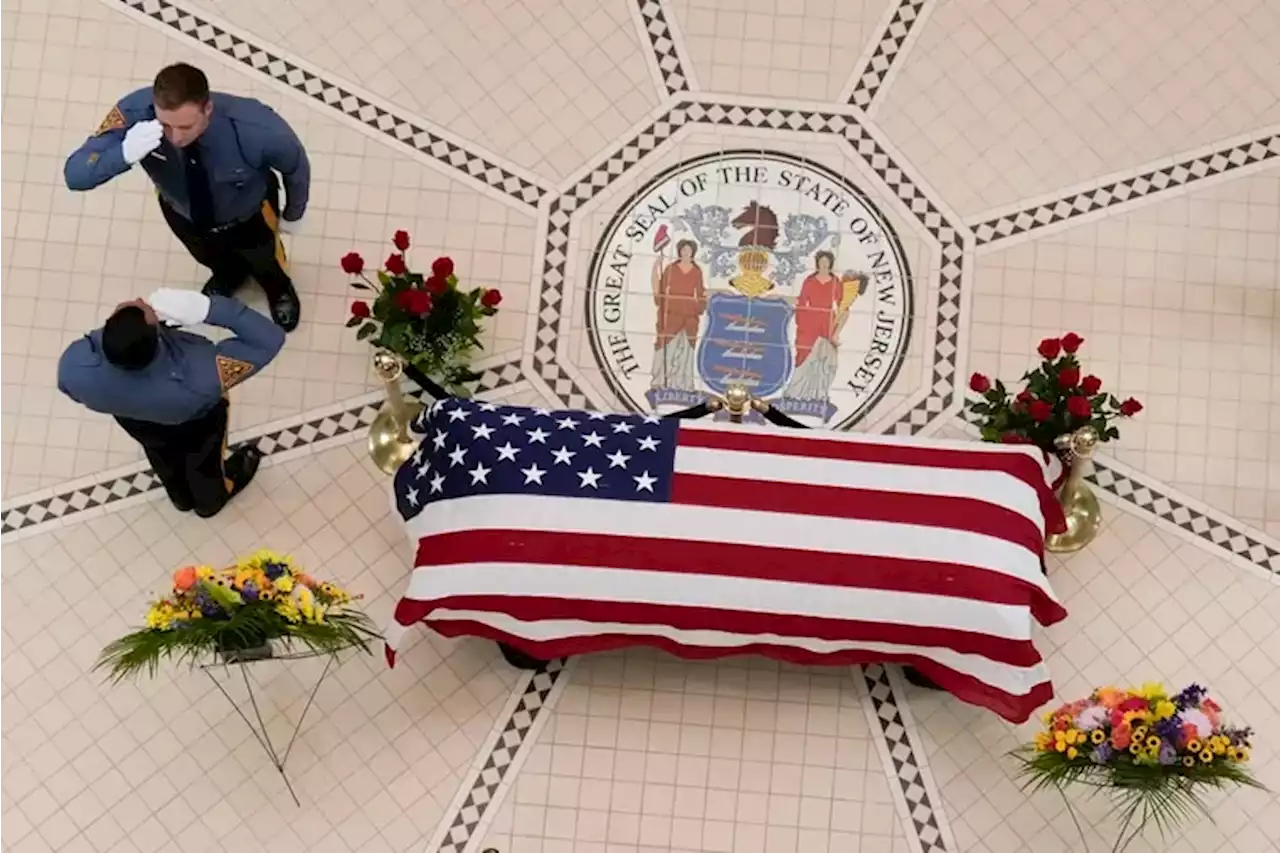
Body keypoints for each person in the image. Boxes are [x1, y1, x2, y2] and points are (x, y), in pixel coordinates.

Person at [63, 63, 309, 331]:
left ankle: (278, 288)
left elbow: (296, 167)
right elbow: (75, 175)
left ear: (208, 109)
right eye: (165, 126)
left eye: (185, 126)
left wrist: (293, 214)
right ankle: (229, 276)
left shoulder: (255, 128)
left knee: (265, 259)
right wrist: (121, 154)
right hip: (183, 214)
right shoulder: (136, 112)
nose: (175, 137)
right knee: (208, 256)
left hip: (250, 218)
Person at [57, 289, 286, 518]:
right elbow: (267, 340)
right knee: (204, 459)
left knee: (160, 453)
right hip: (195, 422)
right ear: (155, 336)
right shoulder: (200, 376)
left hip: (135, 421)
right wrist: (208, 308)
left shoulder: (75, 367)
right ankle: (210, 501)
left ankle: (180, 497)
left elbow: (70, 390)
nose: (139, 299)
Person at [650, 239, 706, 391]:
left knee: (686, 352)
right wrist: (655, 267)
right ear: (679, 251)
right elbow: (660, 289)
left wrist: (699, 307)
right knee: (667, 348)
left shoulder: (696, 271)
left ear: (693, 252)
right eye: (683, 250)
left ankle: (682, 384)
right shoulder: (671, 269)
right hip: (672, 314)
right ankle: (660, 381)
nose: (686, 252)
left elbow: (700, 293)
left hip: (689, 316)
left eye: (688, 250)